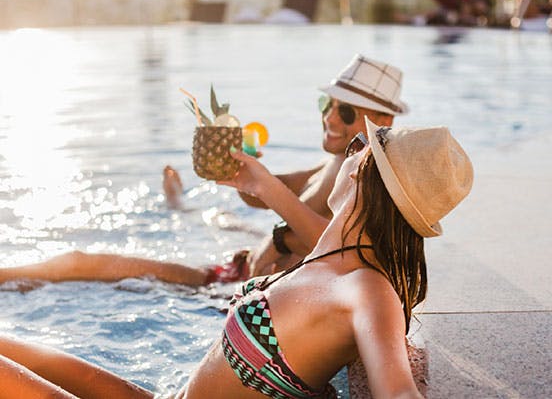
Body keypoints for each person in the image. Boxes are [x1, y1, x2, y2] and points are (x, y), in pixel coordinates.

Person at [0, 119, 473, 398]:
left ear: (367, 177)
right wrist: (260, 185)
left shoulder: (367, 288)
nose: (347, 156)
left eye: (358, 148)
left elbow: (398, 393)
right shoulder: (332, 261)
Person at [0, 54, 409, 288]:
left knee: (79, 262)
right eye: (328, 105)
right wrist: (247, 172)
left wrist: (275, 221)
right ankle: (178, 204)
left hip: (235, 288)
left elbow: (342, 248)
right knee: (223, 217)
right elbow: (264, 196)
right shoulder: (336, 160)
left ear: (383, 119)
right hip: (244, 267)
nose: (330, 118)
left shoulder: (368, 177)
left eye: (347, 111)